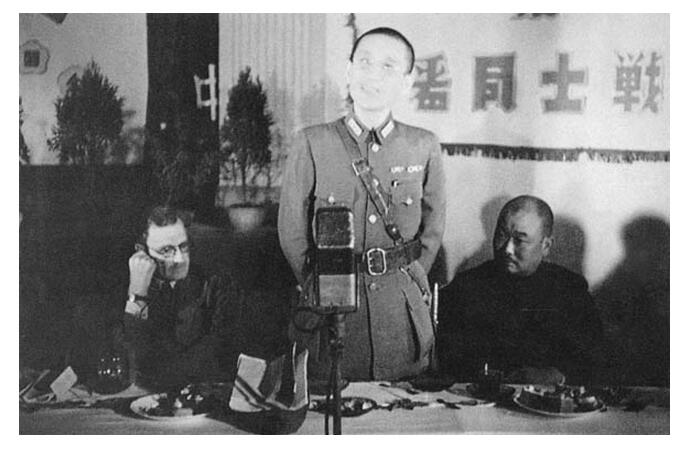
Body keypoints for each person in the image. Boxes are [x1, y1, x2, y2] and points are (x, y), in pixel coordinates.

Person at [278, 27, 446, 381]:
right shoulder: (312, 143)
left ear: (406, 81)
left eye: (388, 66)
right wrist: (318, 284)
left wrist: (412, 280)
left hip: (399, 316)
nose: (373, 76)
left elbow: (432, 230)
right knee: (331, 404)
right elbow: (292, 232)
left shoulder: (423, 146)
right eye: (364, 63)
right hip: (332, 314)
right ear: (349, 70)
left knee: (402, 406)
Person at [437, 196, 602, 385]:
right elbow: (447, 358)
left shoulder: (570, 291)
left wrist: (556, 375)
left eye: (519, 240)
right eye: (502, 235)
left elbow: (593, 359)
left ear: (546, 246)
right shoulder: (466, 286)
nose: (507, 249)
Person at [123, 206, 240, 388]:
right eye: (167, 250)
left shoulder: (213, 282)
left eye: (184, 247)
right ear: (142, 251)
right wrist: (138, 295)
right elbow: (129, 362)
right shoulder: (123, 285)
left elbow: (218, 354)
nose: (180, 259)